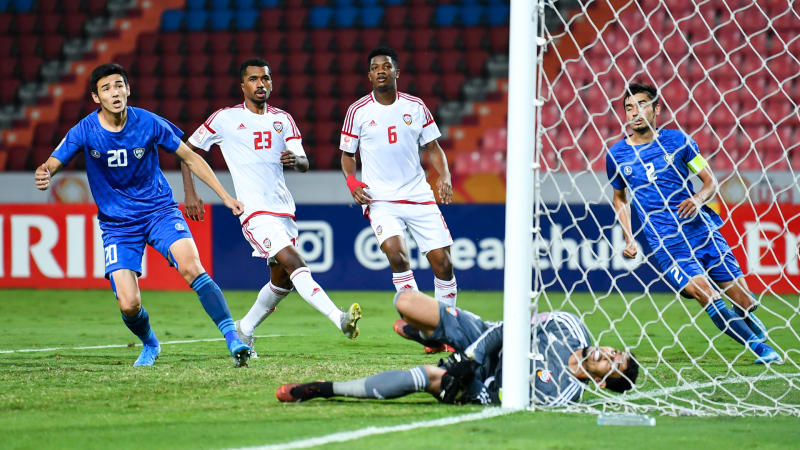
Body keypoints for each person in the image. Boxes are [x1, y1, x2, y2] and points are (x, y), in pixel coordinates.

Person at [33, 63, 251, 367]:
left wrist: (225, 195)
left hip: (159, 212)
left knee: (192, 267)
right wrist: (45, 173)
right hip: (118, 226)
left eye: (119, 85)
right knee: (129, 303)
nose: (115, 92)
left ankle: (233, 339)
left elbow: (189, 156)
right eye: (106, 88)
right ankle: (150, 344)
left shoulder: (148, 122)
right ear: (96, 98)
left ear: (128, 89)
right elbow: (53, 162)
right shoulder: (85, 129)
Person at [182, 58, 362, 358]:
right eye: (253, 79)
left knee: (282, 281)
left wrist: (296, 161)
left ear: (272, 83)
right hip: (253, 211)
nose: (260, 84)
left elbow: (304, 161)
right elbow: (186, 151)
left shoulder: (283, 119)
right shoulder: (225, 119)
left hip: (283, 211)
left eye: (265, 79)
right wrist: (191, 193)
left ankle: (246, 328)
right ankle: (339, 318)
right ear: (243, 86)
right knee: (295, 262)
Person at [606, 82, 780, 364]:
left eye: (641, 105)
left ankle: (754, 329)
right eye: (628, 108)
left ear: (656, 109)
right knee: (704, 294)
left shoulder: (680, 142)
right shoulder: (616, 155)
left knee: (744, 302)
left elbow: (711, 182)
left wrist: (698, 199)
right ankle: (760, 349)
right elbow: (619, 198)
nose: (634, 112)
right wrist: (628, 237)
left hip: (701, 231)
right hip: (667, 242)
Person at [276, 290, 638, 405]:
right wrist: (469, 355)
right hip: (483, 336)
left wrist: (467, 376)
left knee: (426, 376)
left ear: (602, 383)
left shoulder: (564, 394)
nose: (606, 353)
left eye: (612, 363)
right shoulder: (571, 326)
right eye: (614, 350)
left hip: (482, 381)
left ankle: (321, 389)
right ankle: (435, 336)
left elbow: (502, 398)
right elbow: (511, 327)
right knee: (405, 302)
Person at [339, 47, 458, 350]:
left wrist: (443, 176)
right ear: (369, 75)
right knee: (397, 255)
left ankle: (445, 330)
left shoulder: (416, 107)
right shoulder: (358, 111)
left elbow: (433, 148)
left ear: (396, 73)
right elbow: (347, 156)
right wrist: (353, 182)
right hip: (380, 199)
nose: (381, 71)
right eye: (376, 67)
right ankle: (424, 325)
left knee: (443, 264)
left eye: (387, 66)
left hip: (418, 195)